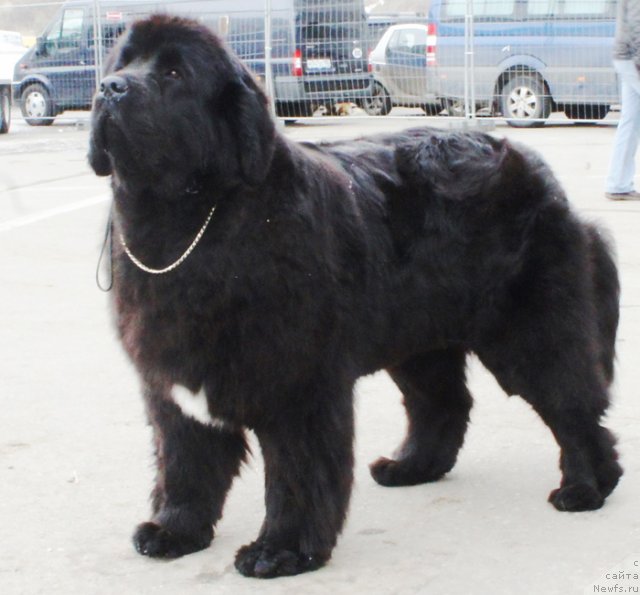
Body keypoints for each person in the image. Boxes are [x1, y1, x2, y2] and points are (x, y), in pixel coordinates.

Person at [605, 0, 640, 200]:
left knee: (631, 122)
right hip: (633, 59)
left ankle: (617, 184)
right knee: (630, 122)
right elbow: (637, 25)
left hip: (627, 58)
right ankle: (617, 183)